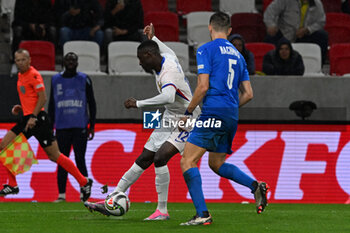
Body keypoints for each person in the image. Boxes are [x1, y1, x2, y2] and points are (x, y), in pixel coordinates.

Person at [84, 23, 200, 220]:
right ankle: (112, 197)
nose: (139, 64)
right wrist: (153, 38)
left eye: (140, 59)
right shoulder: (166, 58)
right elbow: (168, 50)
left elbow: (169, 96)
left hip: (188, 118)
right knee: (145, 157)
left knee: (160, 158)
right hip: (170, 116)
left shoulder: (168, 71)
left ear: (148, 56)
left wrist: (139, 103)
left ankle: (162, 210)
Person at [179, 12, 269, 226]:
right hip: (231, 114)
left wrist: (188, 112)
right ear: (229, 31)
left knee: (187, 160)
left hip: (213, 111)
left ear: (210, 28)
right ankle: (255, 186)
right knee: (216, 163)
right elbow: (248, 94)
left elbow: (202, 87)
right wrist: (228, 108)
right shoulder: (239, 56)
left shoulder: (205, 49)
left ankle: (202, 214)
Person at [0, 49, 93, 201]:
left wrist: (33, 116)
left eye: (23, 60)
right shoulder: (21, 75)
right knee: (4, 145)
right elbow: (31, 98)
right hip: (28, 119)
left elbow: (42, 98)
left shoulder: (34, 75)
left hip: (38, 120)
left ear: (29, 60)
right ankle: (12, 184)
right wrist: (22, 108)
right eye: (17, 60)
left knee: (54, 156)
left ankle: (84, 181)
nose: (20, 63)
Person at [48, 52, 97, 202]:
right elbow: (51, 104)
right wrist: (51, 126)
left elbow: (92, 103)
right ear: (63, 62)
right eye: (68, 60)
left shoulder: (84, 79)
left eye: (73, 60)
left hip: (80, 126)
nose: (70, 62)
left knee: (80, 159)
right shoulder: (56, 79)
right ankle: (61, 194)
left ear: (77, 63)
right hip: (62, 126)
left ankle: (84, 192)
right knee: (62, 160)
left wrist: (92, 125)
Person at [263, 0, 328, 63]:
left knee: (322, 35)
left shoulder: (317, 3)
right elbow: (269, 13)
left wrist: (308, 30)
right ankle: (270, 67)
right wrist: (271, 25)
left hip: (305, 36)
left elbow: (321, 22)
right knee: (270, 37)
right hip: (285, 34)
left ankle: (318, 67)